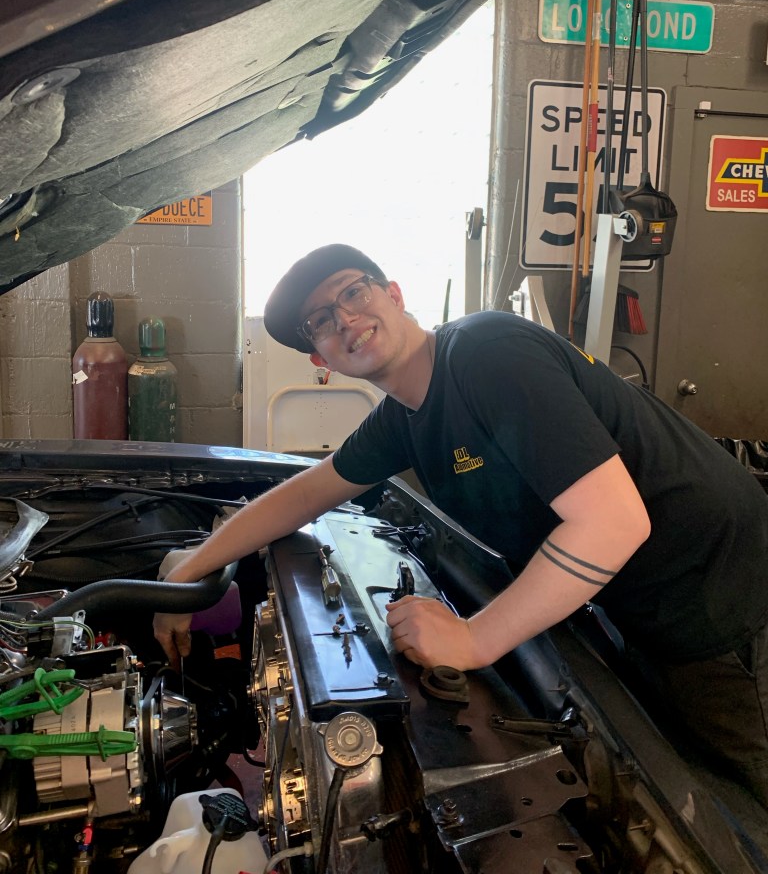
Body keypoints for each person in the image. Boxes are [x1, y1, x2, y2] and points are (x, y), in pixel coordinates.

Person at [154, 243, 768, 806]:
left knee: (745, 790)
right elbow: (306, 493)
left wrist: (474, 639)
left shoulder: (486, 353)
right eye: (321, 320)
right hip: (646, 605)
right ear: (321, 358)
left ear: (394, 294)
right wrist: (193, 566)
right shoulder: (404, 415)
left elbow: (613, 522)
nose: (345, 318)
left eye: (353, 292)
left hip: (723, 594)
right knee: (696, 778)